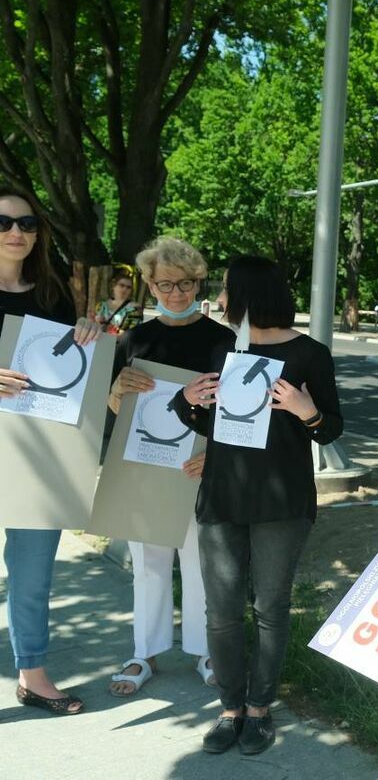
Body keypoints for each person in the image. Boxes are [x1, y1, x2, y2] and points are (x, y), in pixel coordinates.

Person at [174, 255, 343, 756]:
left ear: (249, 293)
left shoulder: (310, 353)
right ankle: (230, 708)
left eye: (227, 289)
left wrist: (305, 410)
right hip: (223, 498)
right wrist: (188, 401)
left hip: (283, 502)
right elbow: (213, 427)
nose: (222, 299)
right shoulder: (223, 349)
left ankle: (260, 709)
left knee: (270, 608)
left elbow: (331, 427)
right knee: (221, 612)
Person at [105, 237, 234, 696]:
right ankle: (145, 652)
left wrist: (213, 455)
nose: (176, 293)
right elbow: (115, 408)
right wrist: (118, 388)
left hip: (200, 467)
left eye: (185, 283)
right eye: (165, 284)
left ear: (198, 281)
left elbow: (234, 411)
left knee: (200, 563)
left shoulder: (223, 341)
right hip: (145, 465)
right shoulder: (135, 338)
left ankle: (205, 652)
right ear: (149, 284)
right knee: (149, 562)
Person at [0, 191, 100, 715]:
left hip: (36, 450)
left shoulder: (51, 296)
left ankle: (32, 675)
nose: (16, 231)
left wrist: (85, 334)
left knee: (33, 567)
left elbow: (69, 375)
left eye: (27, 223)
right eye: (3, 222)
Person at [95, 268, 141, 334]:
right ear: (114, 286)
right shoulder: (102, 305)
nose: (125, 289)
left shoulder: (134, 308)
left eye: (128, 287)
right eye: (122, 285)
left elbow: (131, 332)